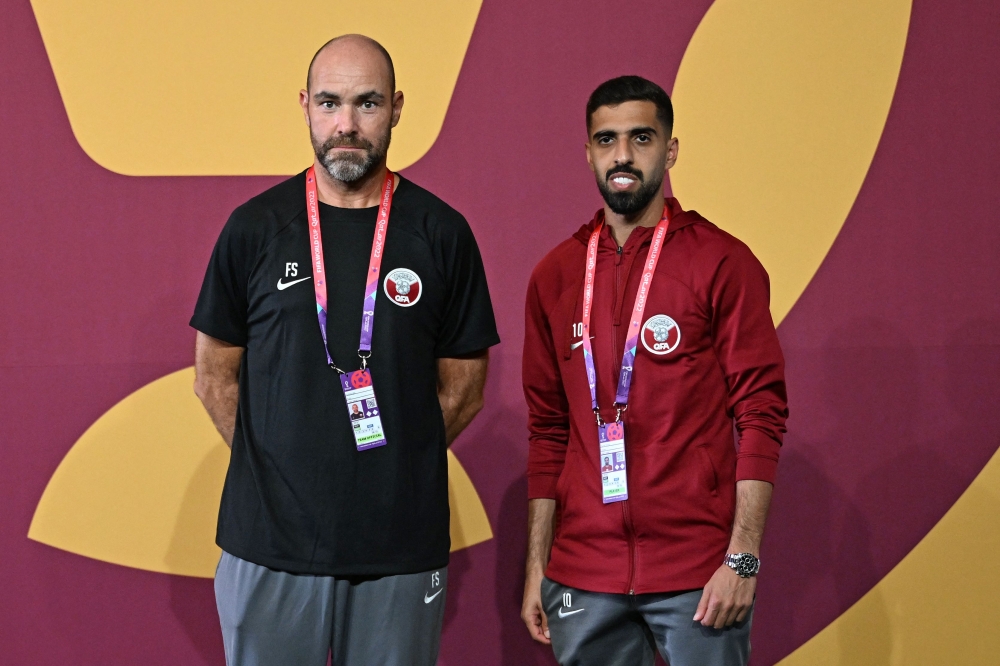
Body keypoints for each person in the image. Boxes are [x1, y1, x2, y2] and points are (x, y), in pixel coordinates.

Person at [191, 34, 499, 666]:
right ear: (305, 105)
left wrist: (393, 469)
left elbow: (464, 387)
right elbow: (214, 378)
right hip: (269, 542)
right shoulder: (254, 228)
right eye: (330, 103)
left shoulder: (442, 233)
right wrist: (282, 463)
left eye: (368, 104)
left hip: (398, 544)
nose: (347, 125)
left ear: (397, 108)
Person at [520, 76, 788, 666]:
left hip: (698, 574)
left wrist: (741, 559)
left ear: (669, 150)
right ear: (587, 151)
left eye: (641, 138)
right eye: (606, 139)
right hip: (583, 574)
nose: (622, 156)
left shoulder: (723, 261)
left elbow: (761, 414)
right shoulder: (555, 275)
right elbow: (547, 432)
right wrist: (539, 564)